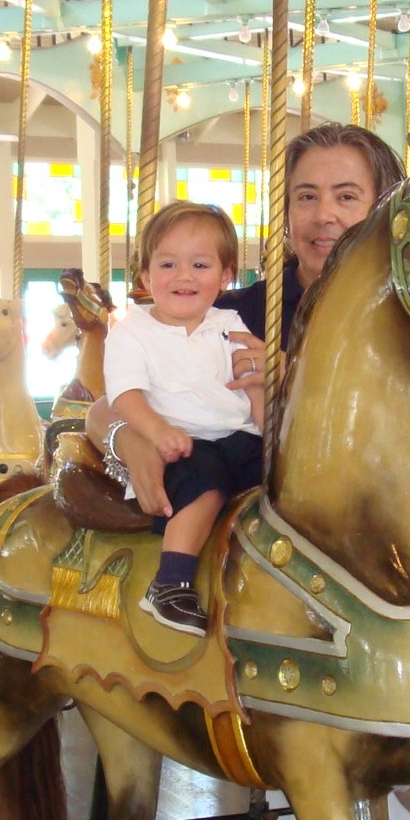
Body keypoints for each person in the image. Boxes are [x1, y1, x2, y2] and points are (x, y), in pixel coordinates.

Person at [86, 123, 410, 820]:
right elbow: (100, 396)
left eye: (346, 197)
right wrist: (131, 441)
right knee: (305, 789)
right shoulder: (231, 304)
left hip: (372, 574)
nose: (323, 216)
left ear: (383, 210)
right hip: (266, 584)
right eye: (306, 196)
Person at [102, 201, 263, 634]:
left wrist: (269, 418)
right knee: (205, 486)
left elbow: (252, 389)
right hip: (180, 443)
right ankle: (170, 582)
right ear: (145, 276)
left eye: (200, 264)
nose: (184, 276)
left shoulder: (230, 323)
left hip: (238, 436)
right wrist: (158, 431)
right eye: (168, 264)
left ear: (226, 275)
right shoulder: (132, 332)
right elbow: (124, 394)